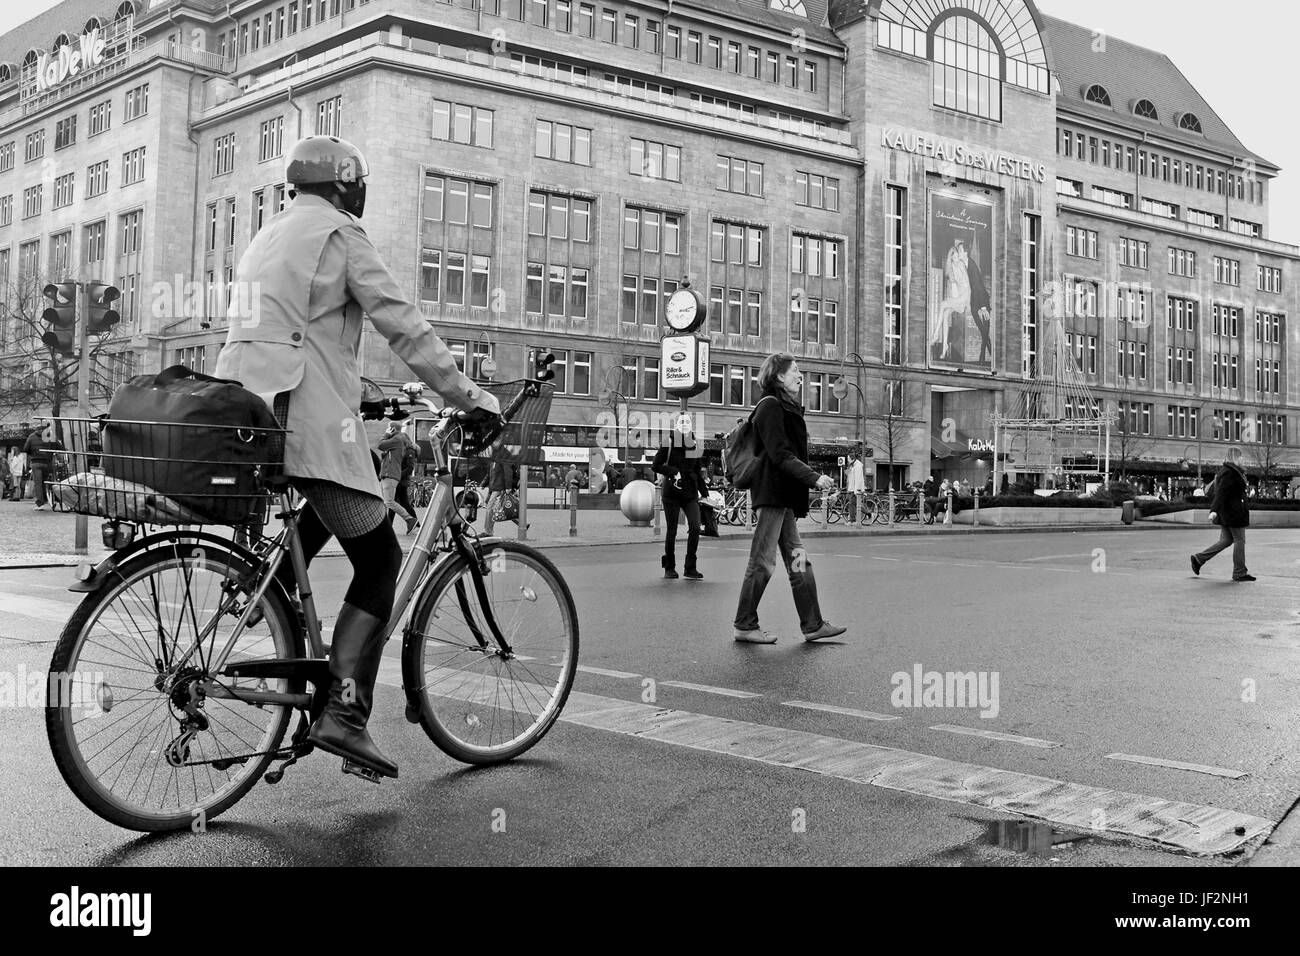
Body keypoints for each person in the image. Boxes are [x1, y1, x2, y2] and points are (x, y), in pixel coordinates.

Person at [213, 135, 500, 781]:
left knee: (335, 503)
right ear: (347, 184)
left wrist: (359, 401)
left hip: (252, 407)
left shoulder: (268, 234)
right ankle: (344, 712)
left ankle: (277, 597)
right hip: (301, 415)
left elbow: (300, 332)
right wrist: (468, 395)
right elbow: (402, 323)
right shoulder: (340, 234)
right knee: (381, 556)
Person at [733, 353, 847, 644]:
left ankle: (813, 624)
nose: (800, 376)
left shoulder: (786, 406)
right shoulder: (771, 406)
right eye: (795, 371)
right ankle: (745, 624)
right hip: (772, 496)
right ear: (779, 376)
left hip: (783, 500)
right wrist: (814, 477)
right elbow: (780, 454)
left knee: (799, 562)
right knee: (762, 562)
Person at [1191, 447, 1254, 583]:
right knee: (1239, 540)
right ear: (1235, 457)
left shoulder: (1232, 471)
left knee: (1225, 540)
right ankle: (1239, 572)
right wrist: (1213, 510)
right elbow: (1221, 493)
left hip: (1229, 512)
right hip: (1233, 513)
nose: (1243, 459)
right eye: (1241, 456)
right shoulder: (1229, 473)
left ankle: (1199, 559)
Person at [652, 433, 706, 580]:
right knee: (672, 530)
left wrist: (705, 492)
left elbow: (697, 470)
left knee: (695, 527)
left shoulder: (694, 445)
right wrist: (673, 471)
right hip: (671, 493)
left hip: (690, 493)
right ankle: (669, 568)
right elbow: (655, 466)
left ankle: (690, 568)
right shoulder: (669, 443)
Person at [24, 426, 63, 511]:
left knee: (38, 483)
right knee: (45, 482)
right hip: (47, 463)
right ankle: (47, 498)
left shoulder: (31, 436)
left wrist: (34, 453)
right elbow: (60, 447)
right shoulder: (50, 436)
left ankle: (40, 503)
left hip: (36, 463)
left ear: (36, 430)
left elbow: (26, 449)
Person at [845, 453, 865, 522]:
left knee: (853, 504)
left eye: (848, 459)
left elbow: (858, 479)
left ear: (851, 459)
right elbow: (850, 476)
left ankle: (852, 520)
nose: (848, 460)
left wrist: (857, 491)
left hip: (855, 489)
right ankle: (868, 514)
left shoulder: (858, 466)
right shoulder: (852, 466)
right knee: (854, 504)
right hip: (852, 488)